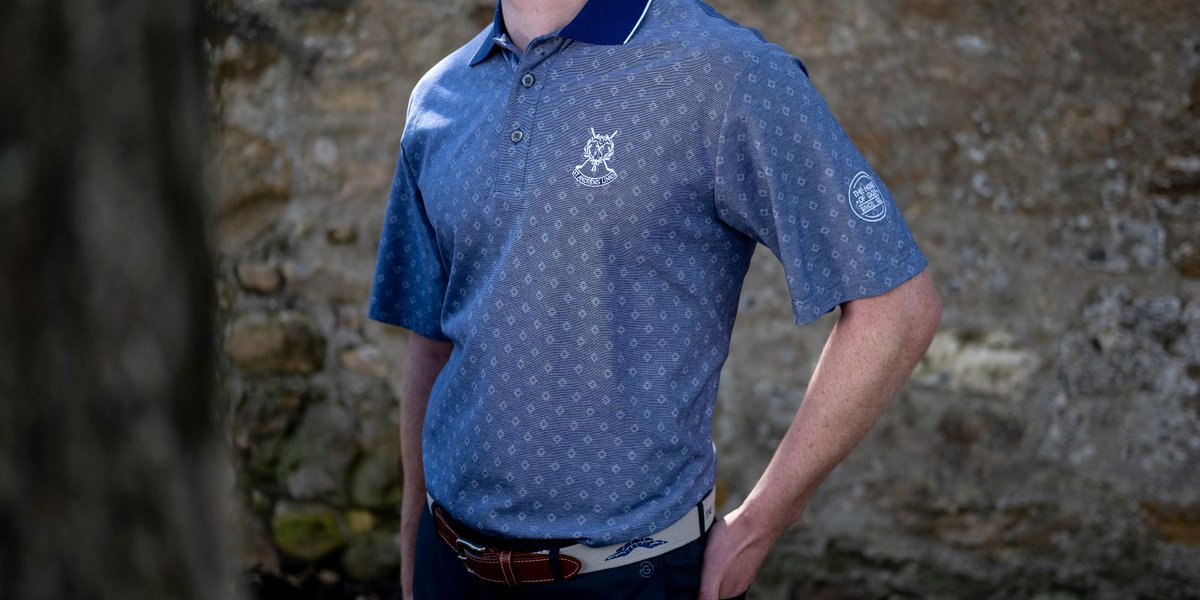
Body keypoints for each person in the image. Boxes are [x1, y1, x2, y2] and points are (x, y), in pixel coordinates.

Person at [368, 0, 942, 598]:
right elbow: (431, 342)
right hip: (447, 561)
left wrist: (761, 524)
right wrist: (413, 542)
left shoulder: (725, 71)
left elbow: (898, 308)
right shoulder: (440, 96)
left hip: (628, 575)